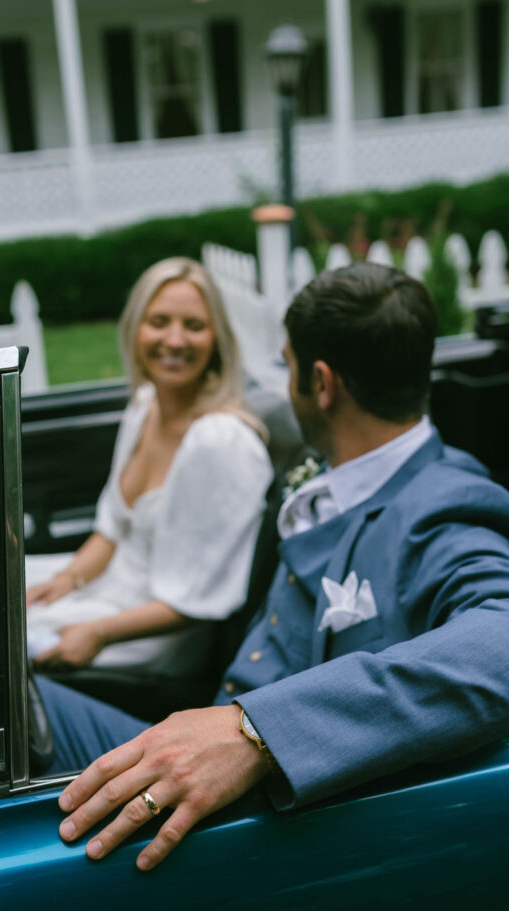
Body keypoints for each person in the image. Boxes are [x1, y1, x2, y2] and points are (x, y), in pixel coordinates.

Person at [37, 261, 509, 872]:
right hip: (191, 733)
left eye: (285, 366)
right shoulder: (330, 476)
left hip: (268, 820)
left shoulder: (441, 506)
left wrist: (254, 733)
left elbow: (501, 640)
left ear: (320, 383)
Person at [25, 257, 273, 700]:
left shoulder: (220, 442)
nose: (174, 340)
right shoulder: (146, 405)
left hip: (152, 640)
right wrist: (69, 579)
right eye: (159, 321)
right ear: (135, 329)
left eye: (194, 325)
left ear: (217, 339)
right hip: (106, 591)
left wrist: (96, 633)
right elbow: (112, 527)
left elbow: (199, 603)